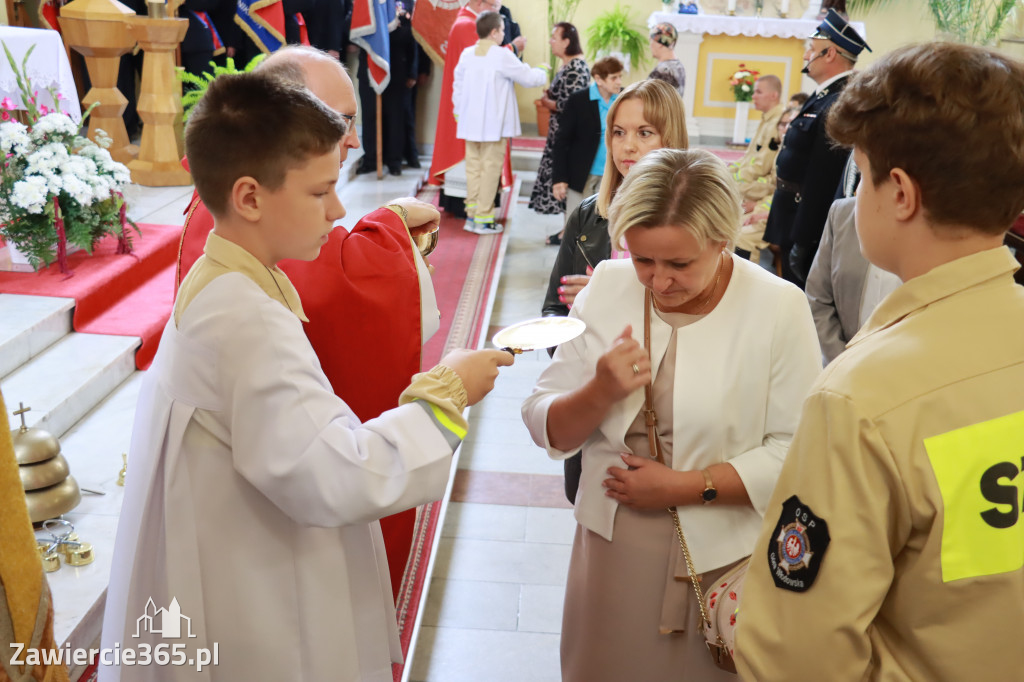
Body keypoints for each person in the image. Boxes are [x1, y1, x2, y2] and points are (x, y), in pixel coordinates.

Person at [100, 71, 513, 682]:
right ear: (250, 197)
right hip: (256, 591)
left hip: (235, 544)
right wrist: (445, 395)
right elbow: (336, 475)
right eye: (321, 192)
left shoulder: (226, 275)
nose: (339, 209)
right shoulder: (244, 318)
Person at [735, 42, 1024, 682]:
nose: (856, 191)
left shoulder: (865, 398)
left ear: (899, 192)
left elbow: (795, 654)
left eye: (860, 173)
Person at [523, 148, 821, 681]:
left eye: (679, 264)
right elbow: (545, 422)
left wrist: (687, 485)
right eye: (643, 260)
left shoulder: (777, 306)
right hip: (612, 546)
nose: (658, 282)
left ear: (722, 239)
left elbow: (797, 450)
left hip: (725, 554)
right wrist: (600, 390)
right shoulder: (609, 286)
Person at [176, 45, 441, 597]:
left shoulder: (239, 220)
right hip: (263, 550)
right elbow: (339, 478)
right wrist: (449, 404)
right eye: (342, 121)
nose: (355, 141)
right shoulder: (249, 304)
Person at [541, 79, 689, 503]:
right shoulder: (589, 216)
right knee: (592, 507)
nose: (628, 146)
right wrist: (584, 326)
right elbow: (552, 309)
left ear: (670, 136)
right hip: (598, 402)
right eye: (619, 133)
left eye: (645, 133)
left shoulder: (697, 218)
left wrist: (609, 293)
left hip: (674, 408)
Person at [763, 8, 870, 286]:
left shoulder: (838, 103)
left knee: (800, 294)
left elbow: (825, 178)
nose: (805, 56)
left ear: (830, 54)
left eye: (811, 49)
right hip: (790, 214)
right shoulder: (823, 96)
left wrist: (806, 236)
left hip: (804, 222)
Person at [453, 10, 547, 235]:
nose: (504, 34)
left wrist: (459, 114)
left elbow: (456, 87)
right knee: (490, 169)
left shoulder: (467, 54)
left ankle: (472, 215)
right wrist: (543, 70)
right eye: (502, 31)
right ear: (494, 32)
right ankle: (484, 219)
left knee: (473, 169)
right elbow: (527, 77)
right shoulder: (501, 55)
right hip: (493, 126)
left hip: (469, 123)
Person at [804, 196, 901, 364]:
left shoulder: (935, 223)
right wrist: (842, 361)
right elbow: (817, 297)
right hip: (840, 365)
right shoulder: (843, 213)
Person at [429, 0, 502, 215]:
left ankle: (474, 208)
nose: (497, 12)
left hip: (473, 106)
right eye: (494, 7)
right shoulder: (467, 26)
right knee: (473, 161)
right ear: (480, 4)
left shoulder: (468, 22)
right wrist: (514, 47)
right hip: (471, 108)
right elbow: (488, 60)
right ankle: (471, 208)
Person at [528, 21, 589, 242]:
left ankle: (568, 232)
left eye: (555, 37)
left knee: (567, 186)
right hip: (560, 135)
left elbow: (569, 105)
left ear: (566, 41)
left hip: (570, 138)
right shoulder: (567, 65)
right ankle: (566, 230)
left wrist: (547, 101)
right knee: (561, 186)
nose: (551, 41)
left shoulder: (577, 67)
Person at [550, 56, 623, 224]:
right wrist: (559, 178)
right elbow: (561, 141)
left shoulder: (622, 99)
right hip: (582, 173)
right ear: (598, 79)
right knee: (576, 223)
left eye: (620, 77)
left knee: (605, 225)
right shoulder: (578, 100)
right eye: (614, 77)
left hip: (611, 173)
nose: (619, 82)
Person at [734, 104, 797, 264]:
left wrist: (758, 209)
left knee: (742, 237)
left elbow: (786, 194)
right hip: (769, 206)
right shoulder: (782, 151)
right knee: (727, 226)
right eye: (783, 124)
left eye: (791, 124)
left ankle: (747, 284)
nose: (786, 128)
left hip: (783, 215)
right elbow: (772, 187)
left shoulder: (795, 156)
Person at [648, 23, 686, 99]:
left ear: (660, 44)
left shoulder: (663, 70)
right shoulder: (679, 66)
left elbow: (650, 101)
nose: (650, 46)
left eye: (651, 41)